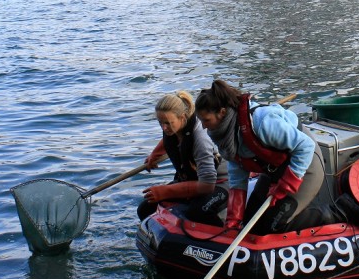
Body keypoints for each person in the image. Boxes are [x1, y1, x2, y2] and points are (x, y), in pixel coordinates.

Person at [196, 80, 329, 234]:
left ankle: (328, 215)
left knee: (272, 226)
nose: (204, 127)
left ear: (222, 113)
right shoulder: (224, 135)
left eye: (206, 120)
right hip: (275, 171)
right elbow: (237, 168)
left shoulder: (262, 122)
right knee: (250, 225)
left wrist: (287, 183)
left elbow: (306, 146)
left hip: (306, 167)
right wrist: (234, 217)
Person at [137, 90, 228, 226]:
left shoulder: (200, 139)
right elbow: (171, 139)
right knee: (145, 208)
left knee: (198, 212)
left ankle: (226, 239)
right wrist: (154, 155)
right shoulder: (173, 127)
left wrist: (165, 191)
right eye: (160, 122)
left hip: (219, 184)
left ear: (183, 118)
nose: (164, 127)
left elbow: (208, 185)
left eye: (168, 123)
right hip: (192, 180)